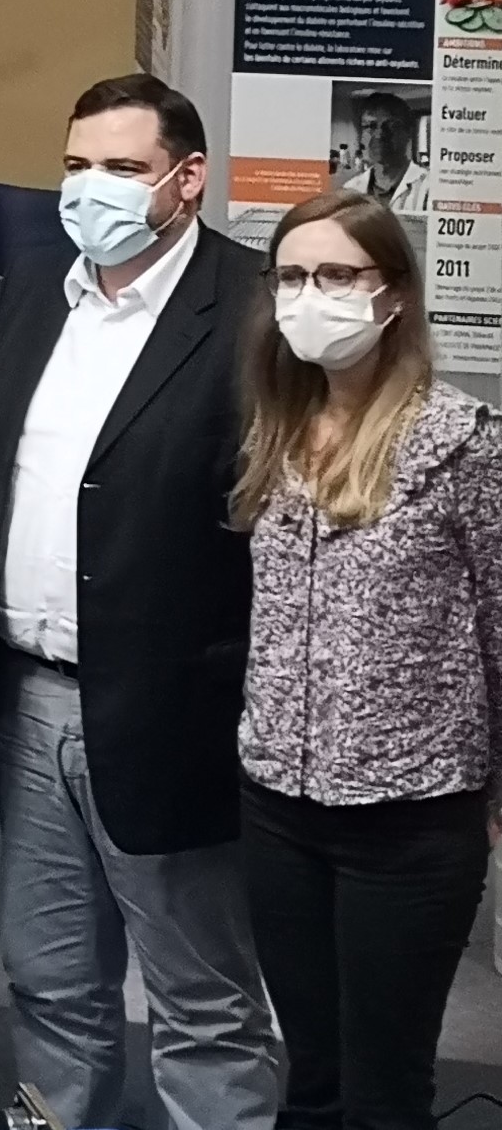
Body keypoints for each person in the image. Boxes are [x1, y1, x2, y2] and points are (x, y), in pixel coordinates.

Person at [0, 74, 279, 1130]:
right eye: (75, 164)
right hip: (24, 700)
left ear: (185, 178)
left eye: (120, 168)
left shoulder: (251, 306)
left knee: (200, 1000)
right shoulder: (35, 286)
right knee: (49, 981)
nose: (89, 188)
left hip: (174, 710)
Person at [232, 192, 502, 1130]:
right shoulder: (271, 429)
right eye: (294, 276)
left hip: (411, 814)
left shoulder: (461, 441)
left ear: (391, 295)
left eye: (338, 274)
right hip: (278, 805)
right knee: (308, 1076)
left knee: (382, 1091)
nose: (312, 295)